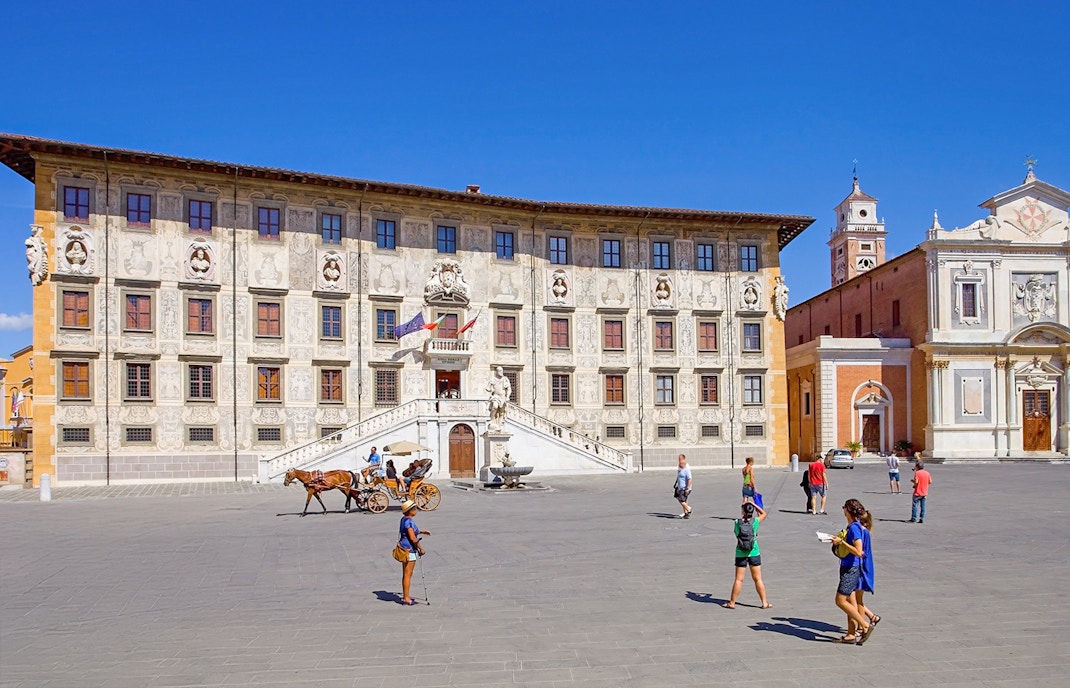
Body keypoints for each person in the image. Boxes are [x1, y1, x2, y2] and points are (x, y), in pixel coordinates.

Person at [831, 499, 874, 644]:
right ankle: (850, 634)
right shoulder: (852, 526)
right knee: (850, 600)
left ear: (848, 510)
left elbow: (859, 551)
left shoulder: (855, 527)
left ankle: (865, 625)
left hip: (851, 568)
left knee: (840, 600)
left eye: (844, 507)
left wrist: (841, 542)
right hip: (848, 566)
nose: (843, 509)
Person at [723, 502, 771, 609]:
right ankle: (764, 602)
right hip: (754, 552)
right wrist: (754, 504)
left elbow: (736, 534)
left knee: (739, 579)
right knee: (758, 579)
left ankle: (732, 602)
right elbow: (763, 513)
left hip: (740, 552)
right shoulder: (755, 521)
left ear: (743, 511)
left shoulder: (737, 522)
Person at [397, 499, 429, 605]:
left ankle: (406, 595)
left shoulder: (404, 519)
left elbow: (409, 532)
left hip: (403, 548)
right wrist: (420, 548)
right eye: (414, 508)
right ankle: (406, 598)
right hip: (409, 550)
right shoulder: (409, 521)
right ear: (409, 510)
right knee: (408, 574)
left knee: (405, 574)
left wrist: (421, 531)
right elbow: (412, 538)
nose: (416, 510)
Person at [855, 510, 880, 629]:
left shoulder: (862, 533)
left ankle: (861, 626)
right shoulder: (866, 532)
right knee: (855, 598)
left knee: (856, 599)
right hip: (864, 566)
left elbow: (860, 551)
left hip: (861, 568)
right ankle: (872, 617)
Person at [675, 454, 692, 519]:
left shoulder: (686, 468)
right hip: (680, 486)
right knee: (682, 499)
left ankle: (688, 509)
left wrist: (687, 488)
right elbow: (679, 475)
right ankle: (686, 513)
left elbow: (690, 479)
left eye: (680, 459)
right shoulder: (679, 466)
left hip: (685, 488)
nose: (679, 461)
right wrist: (676, 483)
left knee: (682, 500)